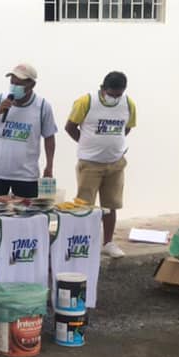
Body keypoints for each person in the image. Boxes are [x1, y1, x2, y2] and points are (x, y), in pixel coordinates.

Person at [0, 62, 57, 267]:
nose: (14, 86)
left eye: (19, 83)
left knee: (29, 216)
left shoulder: (43, 106)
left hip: (26, 174)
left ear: (31, 85)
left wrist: (49, 166)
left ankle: (27, 253)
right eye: (12, 81)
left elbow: (49, 137)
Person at [65, 71, 136, 259]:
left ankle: (108, 242)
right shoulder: (86, 102)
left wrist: (112, 145)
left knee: (111, 205)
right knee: (84, 206)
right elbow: (70, 127)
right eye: (111, 94)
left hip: (115, 163)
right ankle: (83, 243)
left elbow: (127, 128)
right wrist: (87, 144)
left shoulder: (128, 104)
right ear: (103, 88)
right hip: (90, 163)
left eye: (119, 94)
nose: (115, 98)